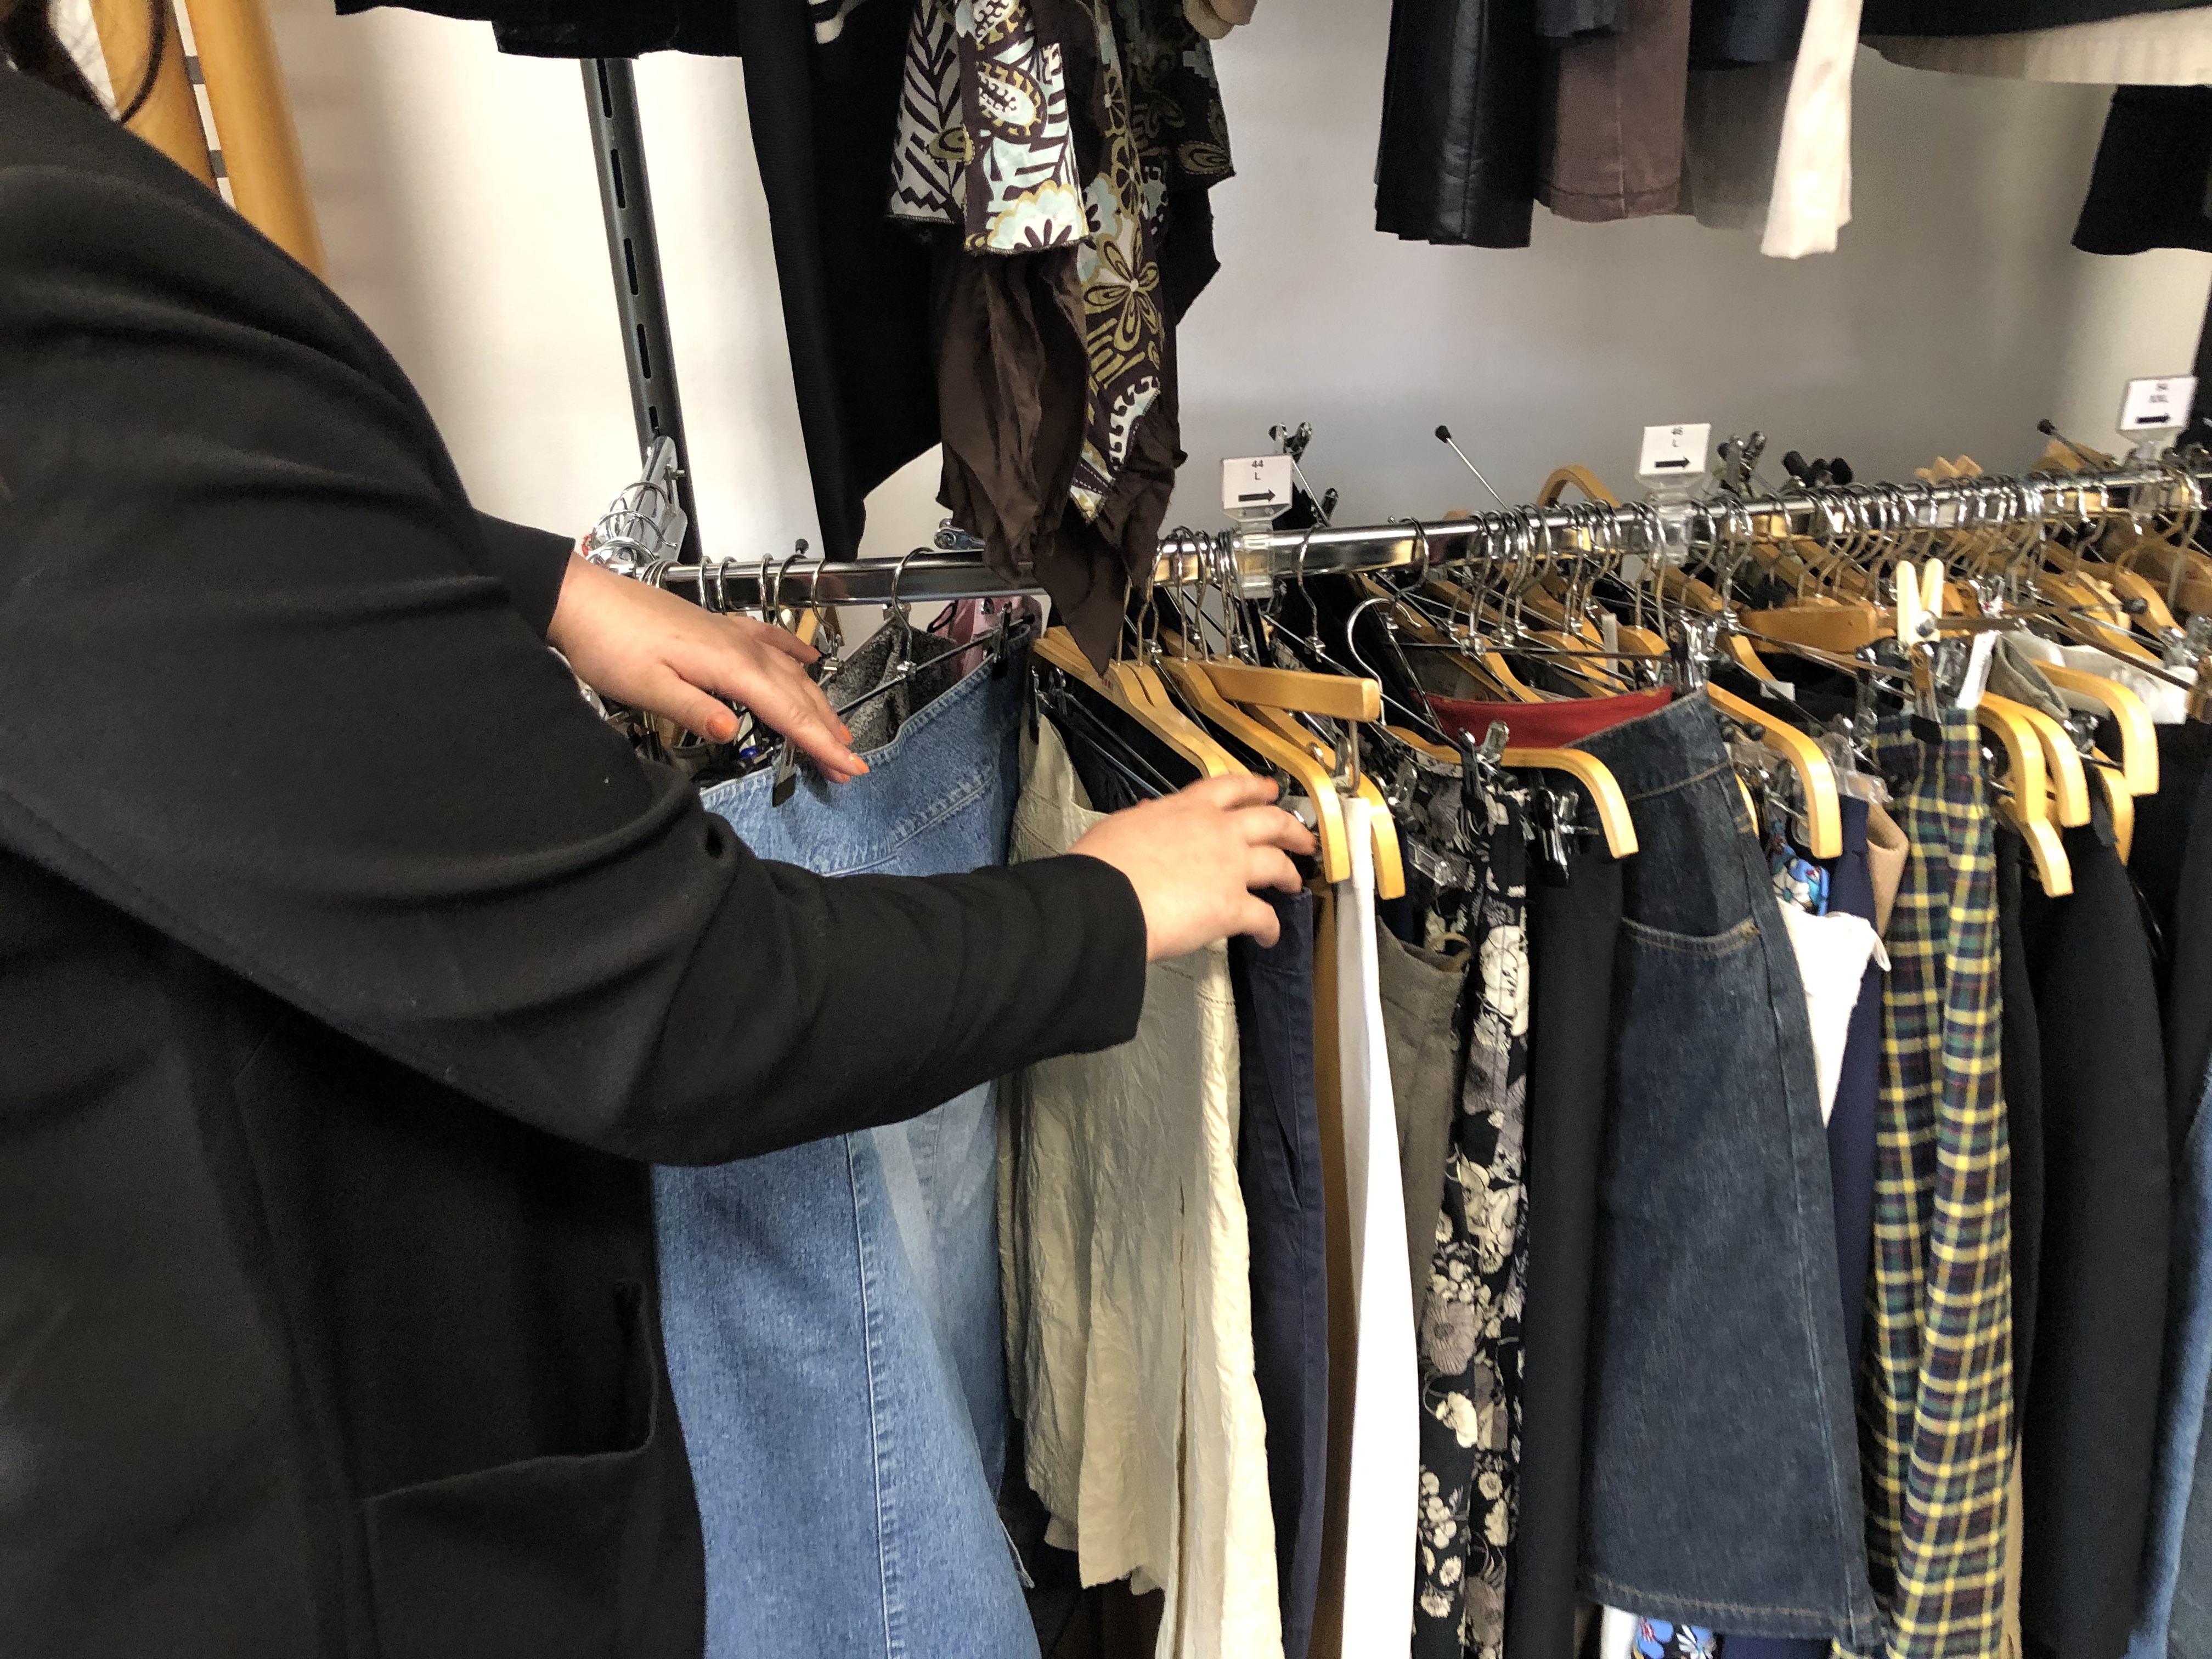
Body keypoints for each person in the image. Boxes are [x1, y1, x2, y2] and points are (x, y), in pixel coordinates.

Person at [0, 10, 1313, 1655]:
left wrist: (530, 585)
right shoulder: (37, 268)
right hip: (256, 1520)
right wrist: (1101, 907)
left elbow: (132, 565)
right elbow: (684, 1002)